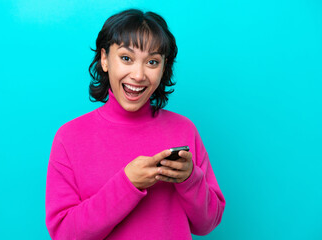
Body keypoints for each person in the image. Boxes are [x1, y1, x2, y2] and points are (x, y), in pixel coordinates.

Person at [45, 9, 225, 240]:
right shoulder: (69, 137)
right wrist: (127, 184)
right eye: (126, 58)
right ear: (104, 59)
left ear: (163, 67)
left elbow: (207, 223)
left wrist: (190, 178)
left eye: (152, 61)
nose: (138, 75)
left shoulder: (184, 129)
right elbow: (64, 234)